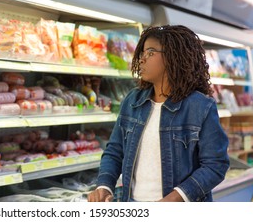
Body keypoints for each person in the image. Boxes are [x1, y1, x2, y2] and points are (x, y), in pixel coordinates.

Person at [88, 25, 229, 202]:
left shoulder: (200, 107)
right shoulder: (133, 101)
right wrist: (104, 186)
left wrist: (174, 199)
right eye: (142, 53)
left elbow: (216, 165)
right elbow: (115, 151)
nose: (141, 59)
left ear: (173, 57)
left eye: (151, 52)